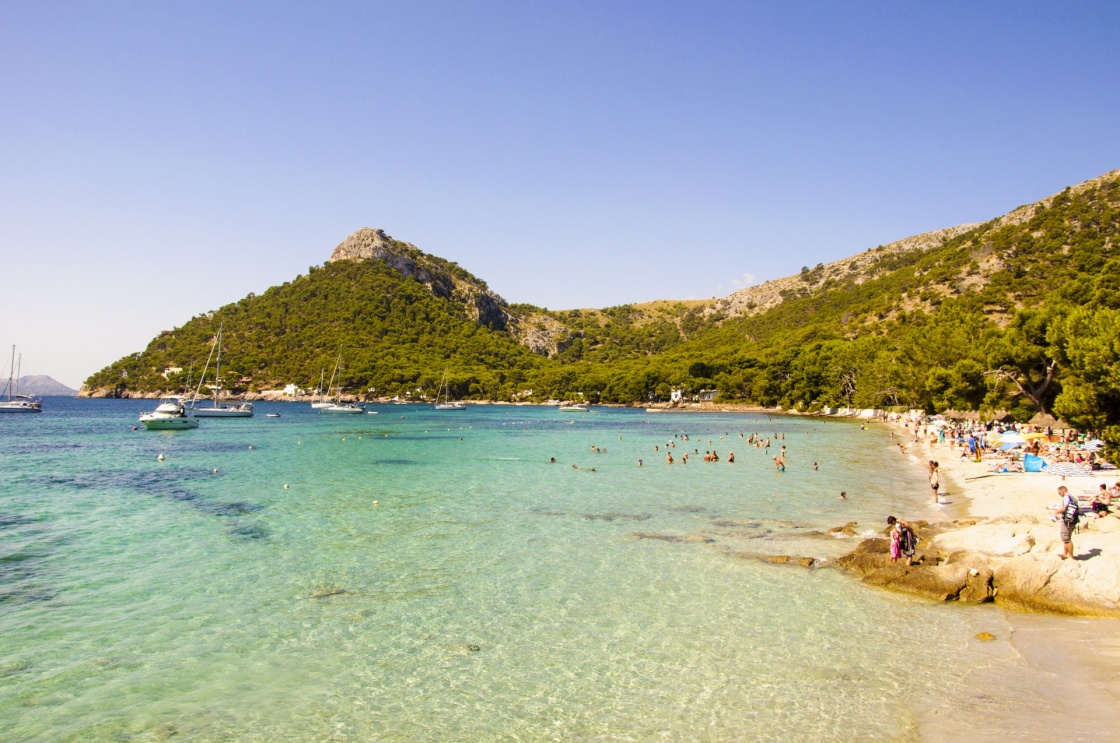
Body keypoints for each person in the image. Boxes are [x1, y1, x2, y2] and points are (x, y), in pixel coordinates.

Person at [1048, 485, 1078, 560]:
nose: (1059, 494)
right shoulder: (1072, 498)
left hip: (1067, 521)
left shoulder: (1066, 497)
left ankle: (1071, 556)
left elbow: (1064, 508)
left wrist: (1055, 512)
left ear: (1063, 491)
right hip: (1072, 520)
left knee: (1067, 539)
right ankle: (1065, 554)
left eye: (1059, 493)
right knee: (1066, 538)